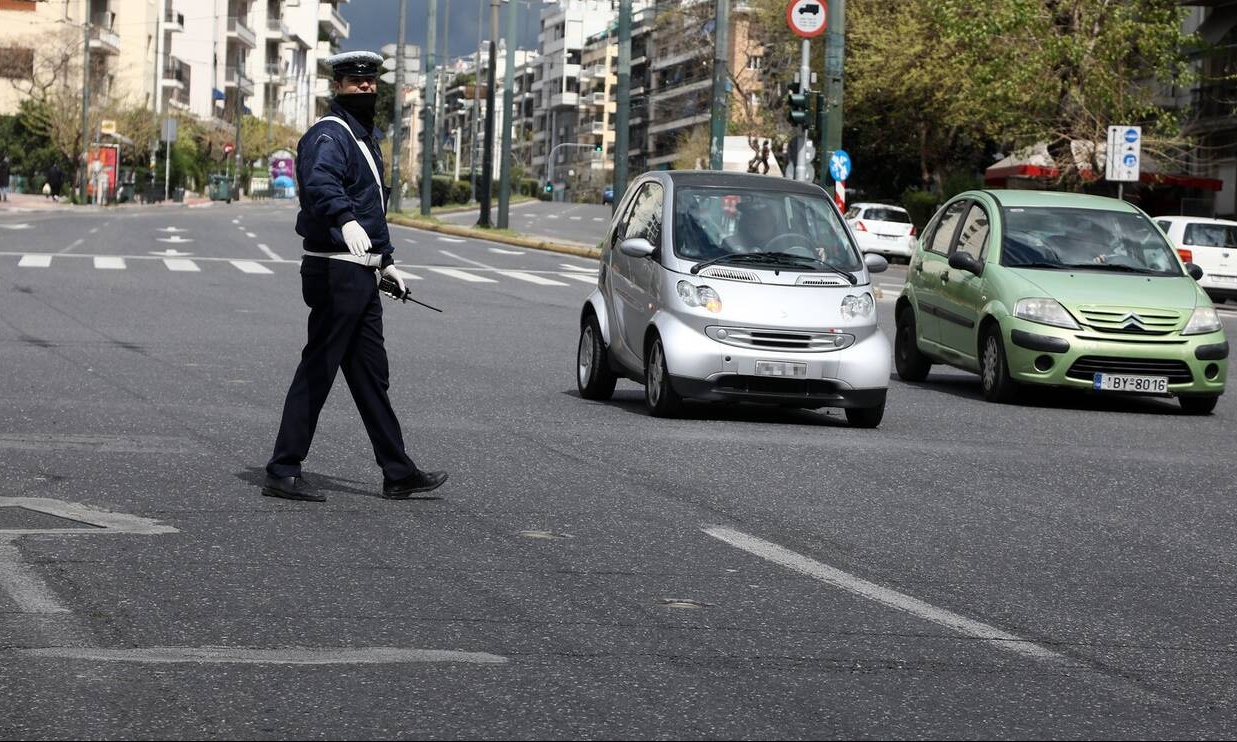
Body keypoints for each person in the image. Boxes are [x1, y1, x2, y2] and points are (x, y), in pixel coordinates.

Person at [262, 50, 447, 503]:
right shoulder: (331, 134)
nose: (365, 87)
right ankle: (282, 469)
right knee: (319, 368)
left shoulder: (364, 139)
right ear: (337, 86)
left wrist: (386, 263)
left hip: (360, 273)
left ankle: (398, 471)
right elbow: (322, 183)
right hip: (334, 270)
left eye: (370, 81)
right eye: (354, 81)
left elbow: (371, 210)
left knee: (370, 376)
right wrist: (344, 220)